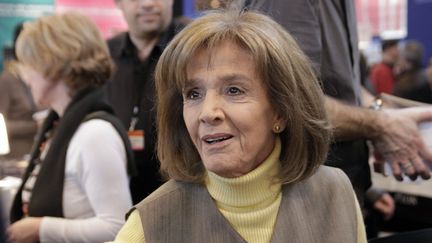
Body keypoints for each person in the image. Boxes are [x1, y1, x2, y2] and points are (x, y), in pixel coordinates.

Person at [112, 10, 367, 243]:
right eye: (192, 94)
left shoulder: (336, 195)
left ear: (281, 111)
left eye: (234, 90)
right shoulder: (149, 226)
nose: (207, 113)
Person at [245, 0, 432, 207]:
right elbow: (289, 101)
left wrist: (381, 114)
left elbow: (344, 86)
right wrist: (380, 124)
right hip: (305, 194)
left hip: (341, 184)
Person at [7, 12, 134, 243]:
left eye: (29, 64)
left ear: (51, 65)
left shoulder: (94, 134)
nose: (26, 77)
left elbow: (118, 227)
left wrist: (42, 228)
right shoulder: (60, 125)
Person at [106, 0, 186, 203]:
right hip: (119, 195)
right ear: (118, 3)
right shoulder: (105, 56)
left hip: (182, 192)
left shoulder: (191, 47)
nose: (148, 4)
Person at [0, 23, 37, 161]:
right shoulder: (8, 79)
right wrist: (34, 126)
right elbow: (2, 126)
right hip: (13, 159)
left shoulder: (40, 76)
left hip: (35, 154)